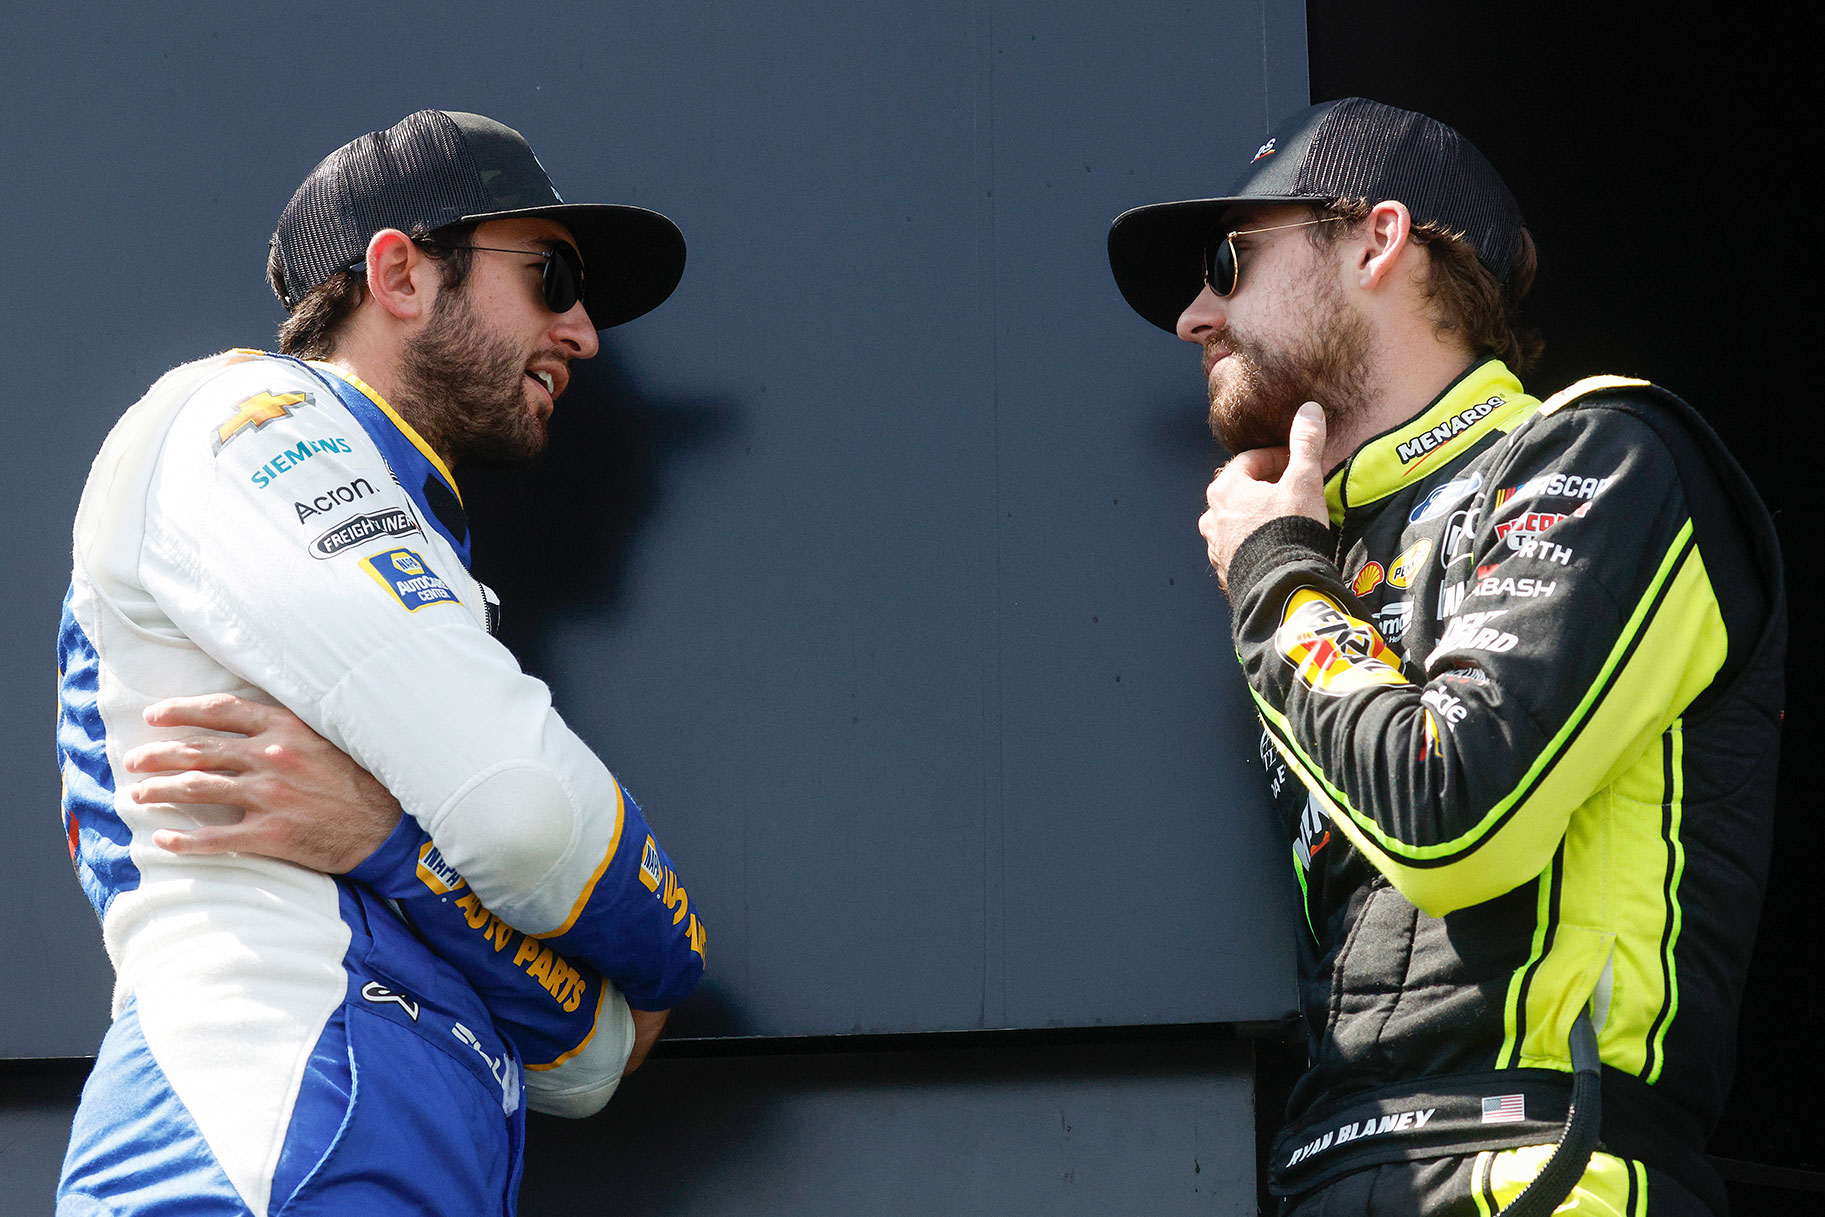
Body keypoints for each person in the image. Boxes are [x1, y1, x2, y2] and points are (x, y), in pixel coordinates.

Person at [1107, 98, 1784, 1215]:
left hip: (1537, 1166)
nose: (1192, 315)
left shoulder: (1606, 454)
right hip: (1330, 1170)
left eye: (1228, 262)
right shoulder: (1328, 550)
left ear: (1378, 240)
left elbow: (1448, 806)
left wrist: (1275, 574)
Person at [55, 109, 707, 1215]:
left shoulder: (397, 540)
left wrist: (386, 841)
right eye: (551, 276)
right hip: (260, 1137)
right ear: (399, 274)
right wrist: (668, 955)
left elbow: (590, 1064)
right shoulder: (246, 415)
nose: (585, 331)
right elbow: (527, 815)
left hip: (376, 1142)